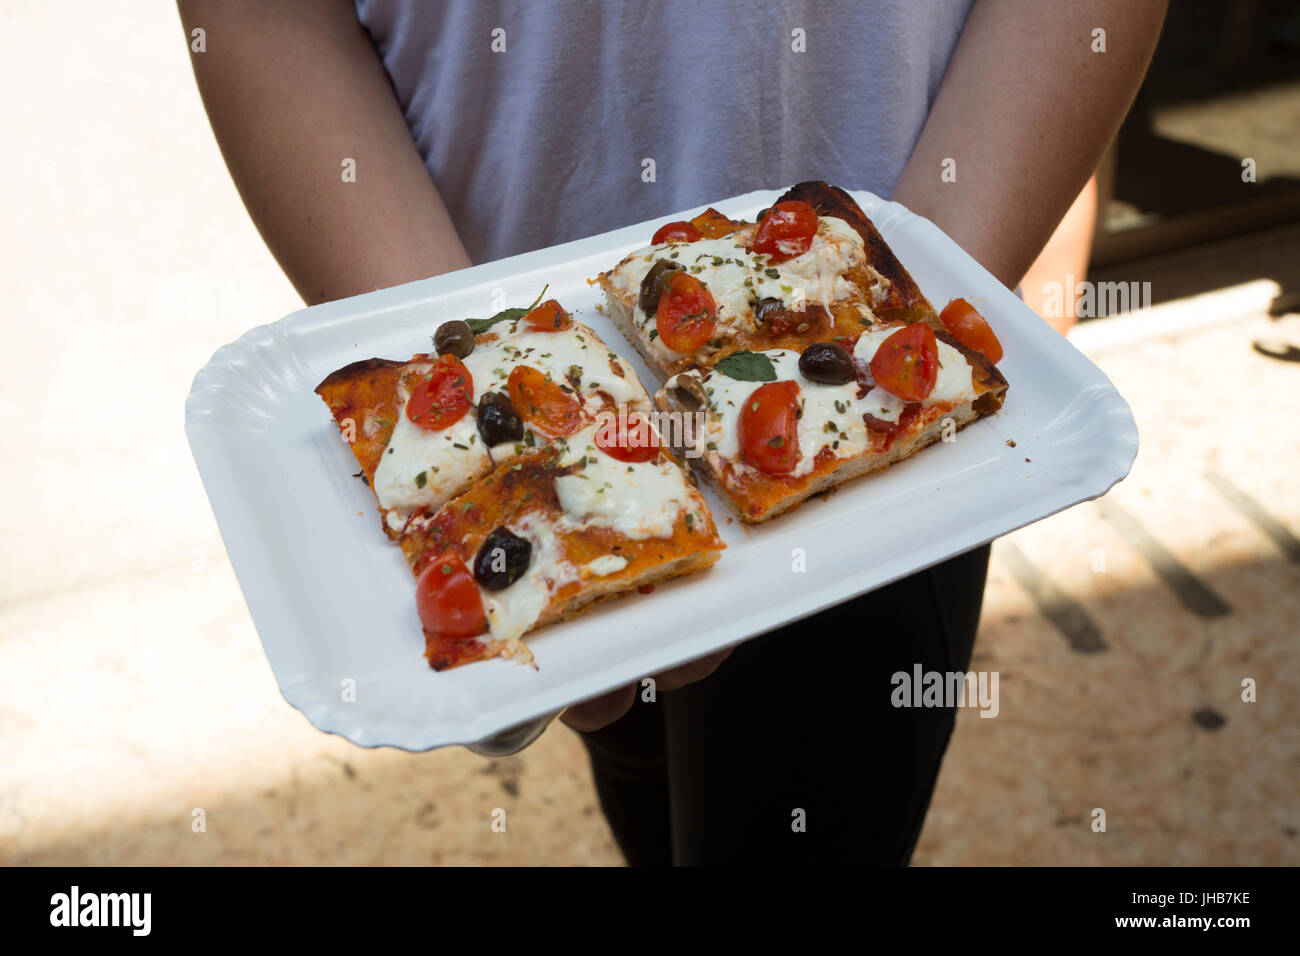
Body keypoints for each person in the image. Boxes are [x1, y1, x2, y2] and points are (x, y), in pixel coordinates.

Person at [179, 0, 1167, 864]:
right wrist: (449, 357)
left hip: (873, 468)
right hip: (478, 302)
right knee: (638, 786)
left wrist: (913, 349)